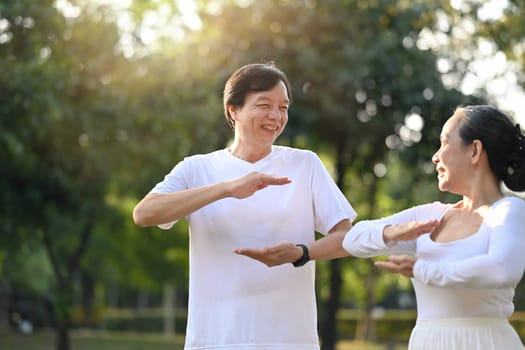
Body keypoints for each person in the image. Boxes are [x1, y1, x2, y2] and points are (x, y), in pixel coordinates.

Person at [237, 105, 525, 349]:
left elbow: (501, 269)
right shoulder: (432, 216)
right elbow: (353, 238)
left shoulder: (508, 211)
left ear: (475, 150)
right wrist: (389, 234)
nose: (436, 156)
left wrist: (422, 269)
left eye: (444, 143)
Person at [132, 62, 357, 350]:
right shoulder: (197, 168)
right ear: (233, 110)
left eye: (283, 107)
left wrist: (301, 253)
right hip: (215, 340)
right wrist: (227, 189)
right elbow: (144, 213)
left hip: (289, 340)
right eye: (264, 105)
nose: (276, 116)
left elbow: (346, 238)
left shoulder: (305, 164)